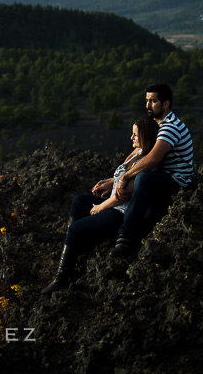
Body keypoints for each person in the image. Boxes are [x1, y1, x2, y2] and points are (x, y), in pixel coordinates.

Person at [40, 116, 159, 293]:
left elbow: (122, 196)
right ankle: (76, 250)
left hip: (120, 212)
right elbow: (121, 178)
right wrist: (111, 182)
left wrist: (100, 208)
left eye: (135, 134)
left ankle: (61, 279)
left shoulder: (146, 162)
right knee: (79, 201)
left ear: (145, 136)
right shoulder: (137, 152)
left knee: (75, 229)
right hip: (113, 202)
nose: (131, 138)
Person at [110, 82, 194, 258]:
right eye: (147, 100)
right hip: (163, 174)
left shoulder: (170, 126)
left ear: (166, 104)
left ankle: (125, 235)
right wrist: (114, 180)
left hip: (178, 180)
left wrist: (125, 177)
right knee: (139, 176)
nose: (148, 105)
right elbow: (141, 153)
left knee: (143, 179)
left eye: (153, 101)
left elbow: (153, 158)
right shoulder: (157, 125)